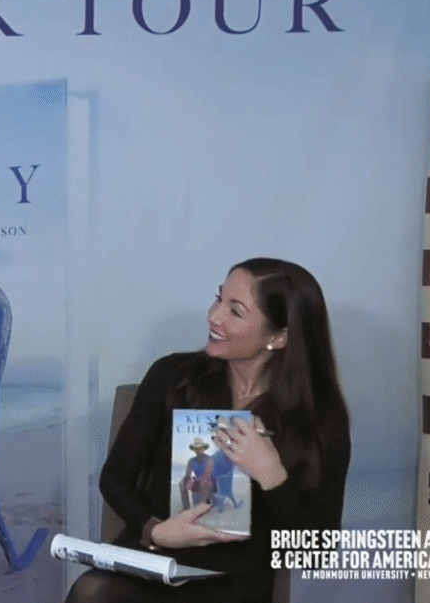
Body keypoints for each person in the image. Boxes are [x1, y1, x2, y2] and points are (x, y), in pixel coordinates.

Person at [66, 258, 351, 603]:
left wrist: (271, 475)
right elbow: (114, 478)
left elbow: (316, 552)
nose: (214, 316)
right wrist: (155, 530)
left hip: (232, 583)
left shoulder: (319, 416)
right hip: (153, 563)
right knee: (92, 591)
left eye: (236, 311)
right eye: (219, 299)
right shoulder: (173, 377)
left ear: (278, 337)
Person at [179, 438, 214, 511]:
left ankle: (203, 508)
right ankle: (186, 507)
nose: (198, 450)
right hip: (198, 481)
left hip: (209, 483)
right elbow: (187, 474)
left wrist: (194, 480)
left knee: (203, 483)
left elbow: (207, 476)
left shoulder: (209, 459)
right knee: (182, 484)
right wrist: (184, 481)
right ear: (194, 450)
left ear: (203, 449)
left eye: (200, 448)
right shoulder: (191, 461)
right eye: (196, 448)